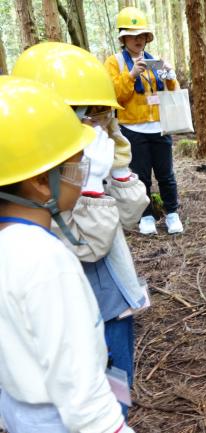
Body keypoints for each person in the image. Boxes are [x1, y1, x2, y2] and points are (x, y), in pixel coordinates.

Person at [12, 42, 151, 417]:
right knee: (93, 400)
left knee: (118, 390)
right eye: (83, 114)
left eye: (99, 113)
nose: (94, 123)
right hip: (80, 310)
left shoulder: (91, 153)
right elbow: (87, 244)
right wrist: (85, 182)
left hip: (114, 300)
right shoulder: (31, 183)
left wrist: (118, 171)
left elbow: (129, 216)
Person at [105, 6, 183, 235]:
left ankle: (172, 213)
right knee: (140, 176)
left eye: (142, 35)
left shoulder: (154, 61)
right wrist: (130, 75)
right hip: (132, 128)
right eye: (133, 35)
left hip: (160, 127)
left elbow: (172, 92)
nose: (138, 39)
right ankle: (146, 216)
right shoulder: (114, 62)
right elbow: (113, 95)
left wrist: (169, 74)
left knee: (166, 174)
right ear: (123, 38)